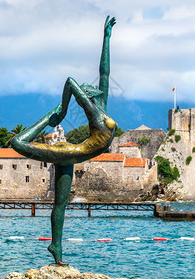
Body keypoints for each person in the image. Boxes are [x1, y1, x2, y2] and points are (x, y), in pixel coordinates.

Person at [11, 16, 116, 266]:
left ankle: (55, 247)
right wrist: (61, 112)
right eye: (88, 91)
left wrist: (106, 38)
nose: (91, 89)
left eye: (90, 90)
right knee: (17, 143)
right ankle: (47, 118)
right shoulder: (92, 109)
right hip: (67, 152)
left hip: (71, 155)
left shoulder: (101, 106)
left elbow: (105, 71)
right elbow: (70, 82)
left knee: (61, 204)